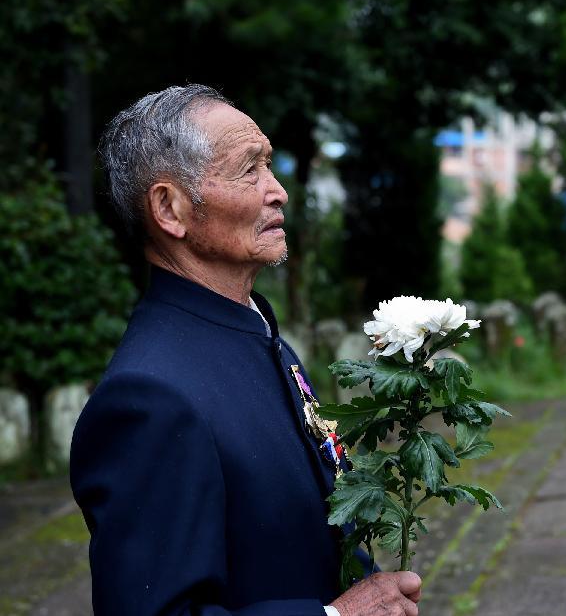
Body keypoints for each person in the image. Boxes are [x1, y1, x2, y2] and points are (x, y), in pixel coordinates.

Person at [69, 85, 422, 616]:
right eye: (248, 170)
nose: (277, 191)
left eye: (270, 166)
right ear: (170, 208)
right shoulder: (150, 397)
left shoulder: (254, 332)